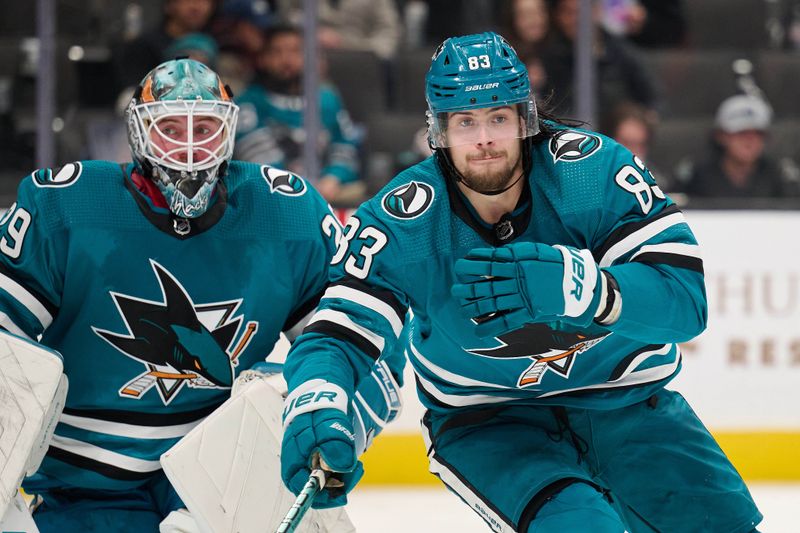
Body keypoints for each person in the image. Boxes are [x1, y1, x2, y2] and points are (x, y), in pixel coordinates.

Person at [278, 32, 763, 532]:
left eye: (497, 118)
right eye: (465, 121)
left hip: (630, 403)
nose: (484, 138)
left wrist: (588, 289)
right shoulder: (401, 222)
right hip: (492, 423)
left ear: (525, 120)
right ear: (438, 131)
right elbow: (338, 335)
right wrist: (317, 397)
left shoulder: (592, 174)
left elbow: (684, 303)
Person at [0, 58, 400, 532]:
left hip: (226, 474)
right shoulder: (67, 206)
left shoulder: (286, 212)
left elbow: (356, 341)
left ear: (229, 132)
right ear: (140, 133)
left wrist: (335, 423)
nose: (190, 148)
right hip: (85, 483)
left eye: (205, 127)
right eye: (170, 127)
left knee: (280, 389)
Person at [234, 23, 364, 204]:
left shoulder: (327, 99)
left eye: (295, 51)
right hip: (274, 198)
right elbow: (256, 156)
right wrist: (298, 188)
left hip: (327, 194)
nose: (286, 60)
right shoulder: (248, 102)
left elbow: (345, 144)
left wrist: (333, 178)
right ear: (262, 59)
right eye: (276, 52)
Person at [677, 93, 799, 199]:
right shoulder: (696, 177)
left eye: (757, 133)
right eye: (741, 133)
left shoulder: (781, 177)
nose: (749, 141)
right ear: (721, 136)